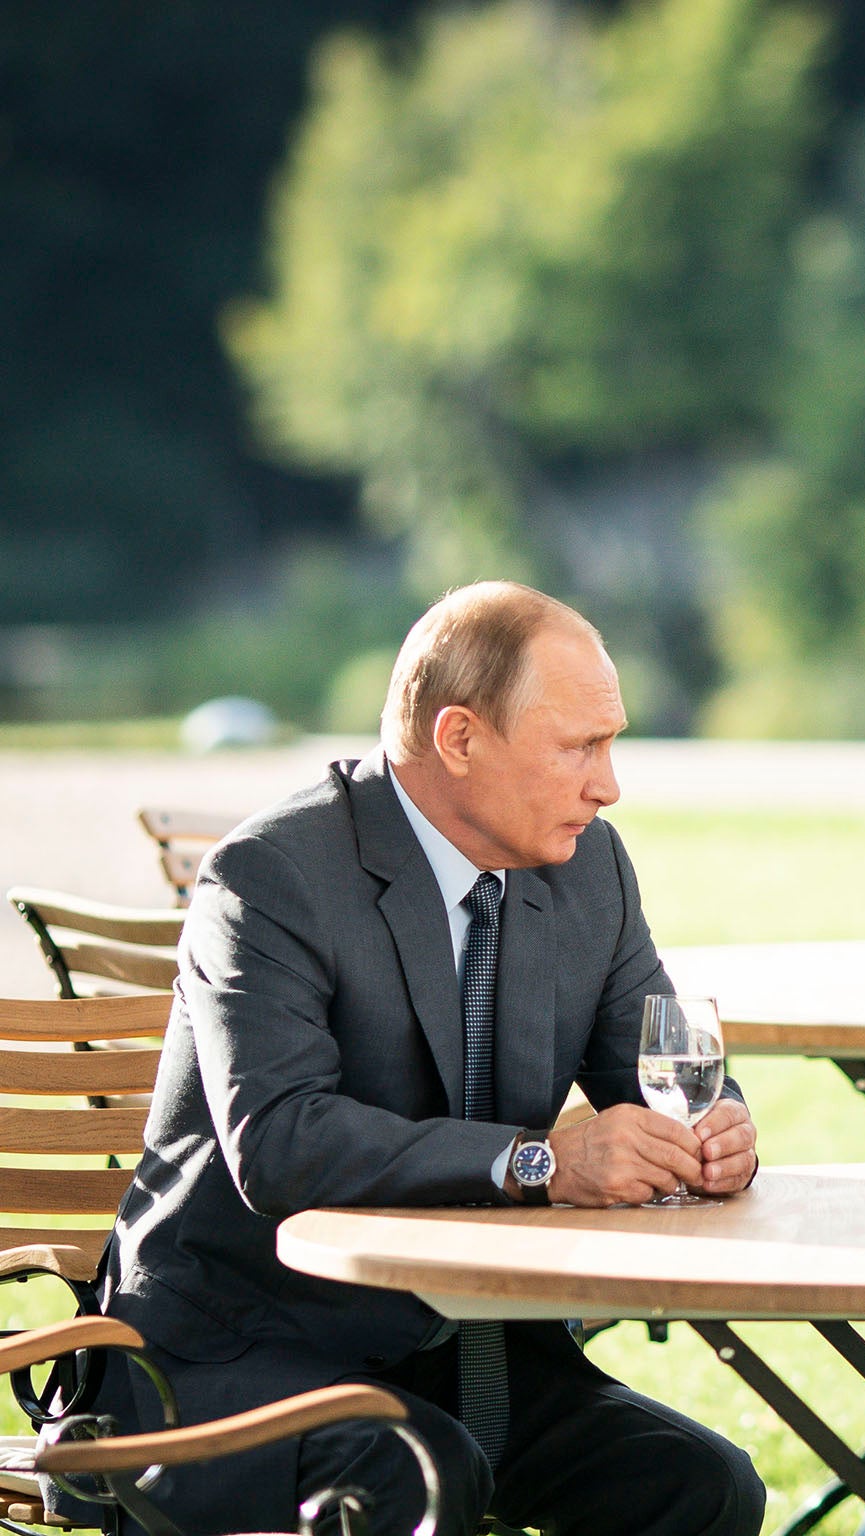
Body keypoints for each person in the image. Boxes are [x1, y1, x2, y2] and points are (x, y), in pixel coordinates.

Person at [95, 582, 765, 1536]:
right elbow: (280, 1142)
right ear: (458, 739)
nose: (608, 784)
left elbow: (662, 1069)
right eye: (579, 745)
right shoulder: (271, 875)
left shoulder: (592, 868)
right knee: (423, 1473)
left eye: (611, 744)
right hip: (236, 1361)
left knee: (699, 1485)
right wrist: (542, 1160)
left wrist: (717, 1133)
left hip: (475, 1353)